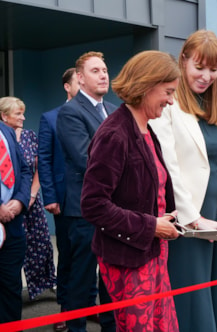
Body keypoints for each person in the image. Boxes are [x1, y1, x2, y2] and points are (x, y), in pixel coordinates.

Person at [149, 29, 217, 332]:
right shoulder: (169, 103)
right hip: (187, 219)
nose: (206, 75)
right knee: (192, 298)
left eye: (213, 69)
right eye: (199, 67)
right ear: (183, 61)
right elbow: (168, 164)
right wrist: (193, 218)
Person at [81, 50, 180, 332]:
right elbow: (93, 204)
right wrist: (151, 226)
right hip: (128, 259)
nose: (171, 101)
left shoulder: (146, 129)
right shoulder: (115, 134)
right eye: (168, 92)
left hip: (152, 253)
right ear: (147, 86)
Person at [56, 51, 117, 332]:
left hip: (115, 209)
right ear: (79, 78)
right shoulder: (71, 112)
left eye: (104, 70)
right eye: (95, 70)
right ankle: (76, 328)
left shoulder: (115, 110)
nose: (103, 74)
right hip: (85, 211)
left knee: (110, 278)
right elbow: (85, 158)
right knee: (82, 278)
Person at [0, 97, 57, 301]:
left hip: (29, 201)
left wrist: (30, 196)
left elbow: (36, 167)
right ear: (4, 115)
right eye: (18, 113)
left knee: (39, 245)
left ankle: (42, 287)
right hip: (6, 206)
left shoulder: (29, 136)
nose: (23, 117)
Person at [38, 68, 81, 332]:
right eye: (79, 81)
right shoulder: (50, 118)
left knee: (94, 259)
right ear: (67, 86)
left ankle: (90, 307)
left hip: (96, 201)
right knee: (68, 257)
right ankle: (66, 311)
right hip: (64, 201)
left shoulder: (102, 114)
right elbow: (44, 159)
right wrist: (50, 196)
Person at [0, 98, 32, 324]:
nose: (22, 118)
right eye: (17, 113)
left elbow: (26, 170)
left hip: (13, 223)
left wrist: (20, 201)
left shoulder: (9, 133)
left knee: (11, 285)